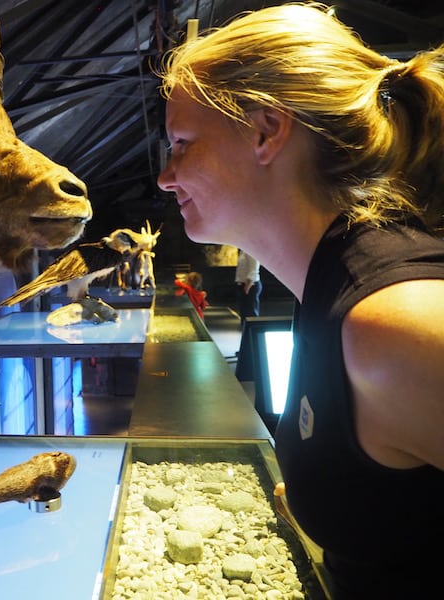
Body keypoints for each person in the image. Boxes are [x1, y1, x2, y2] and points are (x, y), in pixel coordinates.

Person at [156, 4, 444, 597]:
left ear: (266, 130)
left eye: (182, 143)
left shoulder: (391, 325)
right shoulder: (328, 288)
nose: (165, 176)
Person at [234, 249, 261, 323]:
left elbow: (254, 269)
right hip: (242, 284)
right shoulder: (243, 251)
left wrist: (248, 286)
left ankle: (251, 333)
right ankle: (245, 332)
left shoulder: (251, 250)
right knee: (244, 312)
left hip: (250, 285)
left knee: (250, 312)